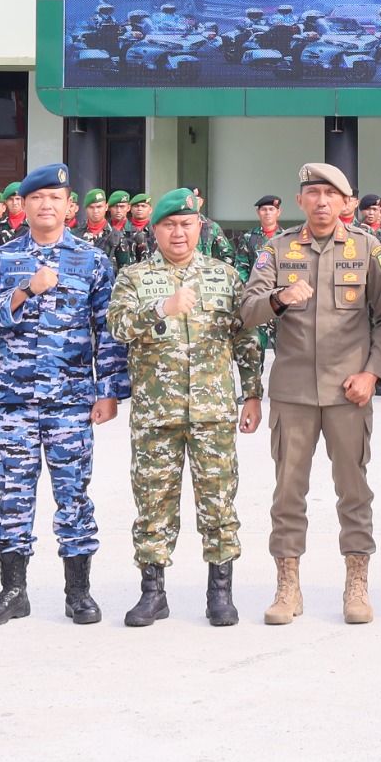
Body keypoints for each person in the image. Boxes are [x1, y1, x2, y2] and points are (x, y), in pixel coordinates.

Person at [0, 162, 126, 628]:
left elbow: (108, 331)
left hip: (71, 401)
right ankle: (13, 591)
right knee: (13, 496)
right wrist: (23, 291)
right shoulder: (1, 259)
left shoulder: (92, 260)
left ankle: (78, 592)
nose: (46, 205)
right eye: (37, 197)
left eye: (55, 197)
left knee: (73, 495)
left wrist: (109, 390)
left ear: (69, 205)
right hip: (15, 401)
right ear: (25, 204)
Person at [242, 162, 381, 625]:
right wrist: (279, 298)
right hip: (292, 393)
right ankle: (287, 586)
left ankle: (357, 584)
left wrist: (372, 373)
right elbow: (247, 311)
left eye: (332, 194)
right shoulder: (277, 248)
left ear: (347, 202)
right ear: (300, 200)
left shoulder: (367, 247)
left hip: (348, 392)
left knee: (354, 491)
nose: (322, 202)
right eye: (313, 193)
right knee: (288, 494)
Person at [110, 187, 263, 628]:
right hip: (156, 414)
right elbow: (117, 326)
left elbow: (245, 338)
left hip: (213, 411)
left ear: (200, 227)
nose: (178, 232)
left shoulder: (225, 276)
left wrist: (252, 393)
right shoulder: (134, 277)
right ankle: (152, 593)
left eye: (186, 224)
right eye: (169, 225)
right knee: (153, 502)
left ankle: (220, 593)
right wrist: (162, 307)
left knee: (219, 502)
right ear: (155, 230)